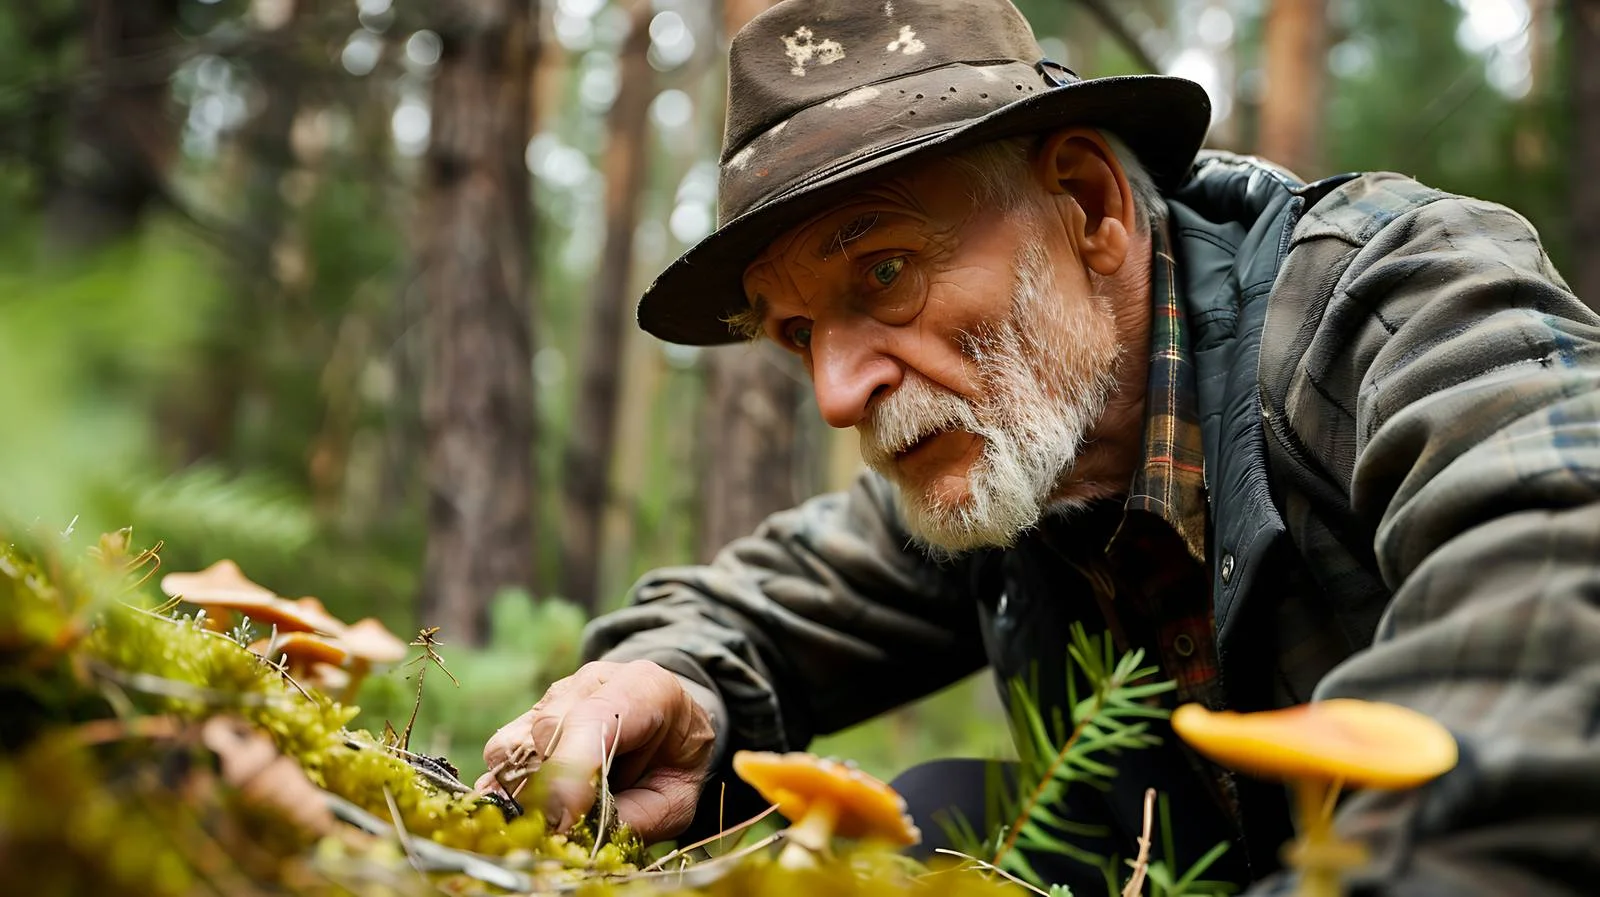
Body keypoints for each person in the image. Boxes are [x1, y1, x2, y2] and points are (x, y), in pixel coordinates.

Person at [477, 0, 1600, 892]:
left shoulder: (1387, 302)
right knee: (941, 823)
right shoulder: (1013, 453)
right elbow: (756, 600)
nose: (833, 392)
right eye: (798, 331)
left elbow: (1557, 583)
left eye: (884, 273)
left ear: (1088, 203)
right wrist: (669, 683)